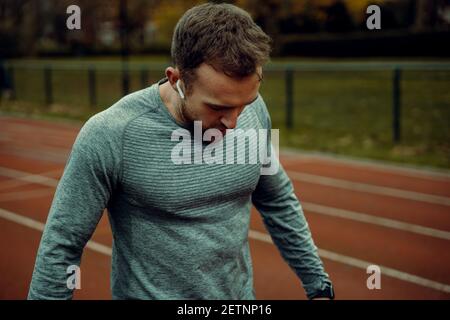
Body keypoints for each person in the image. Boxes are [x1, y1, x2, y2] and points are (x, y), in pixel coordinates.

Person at [28, 3, 334, 300]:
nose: (233, 121)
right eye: (218, 107)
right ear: (177, 80)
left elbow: (277, 199)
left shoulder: (253, 111)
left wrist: (318, 285)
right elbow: (62, 246)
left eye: (245, 103)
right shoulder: (111, 133)